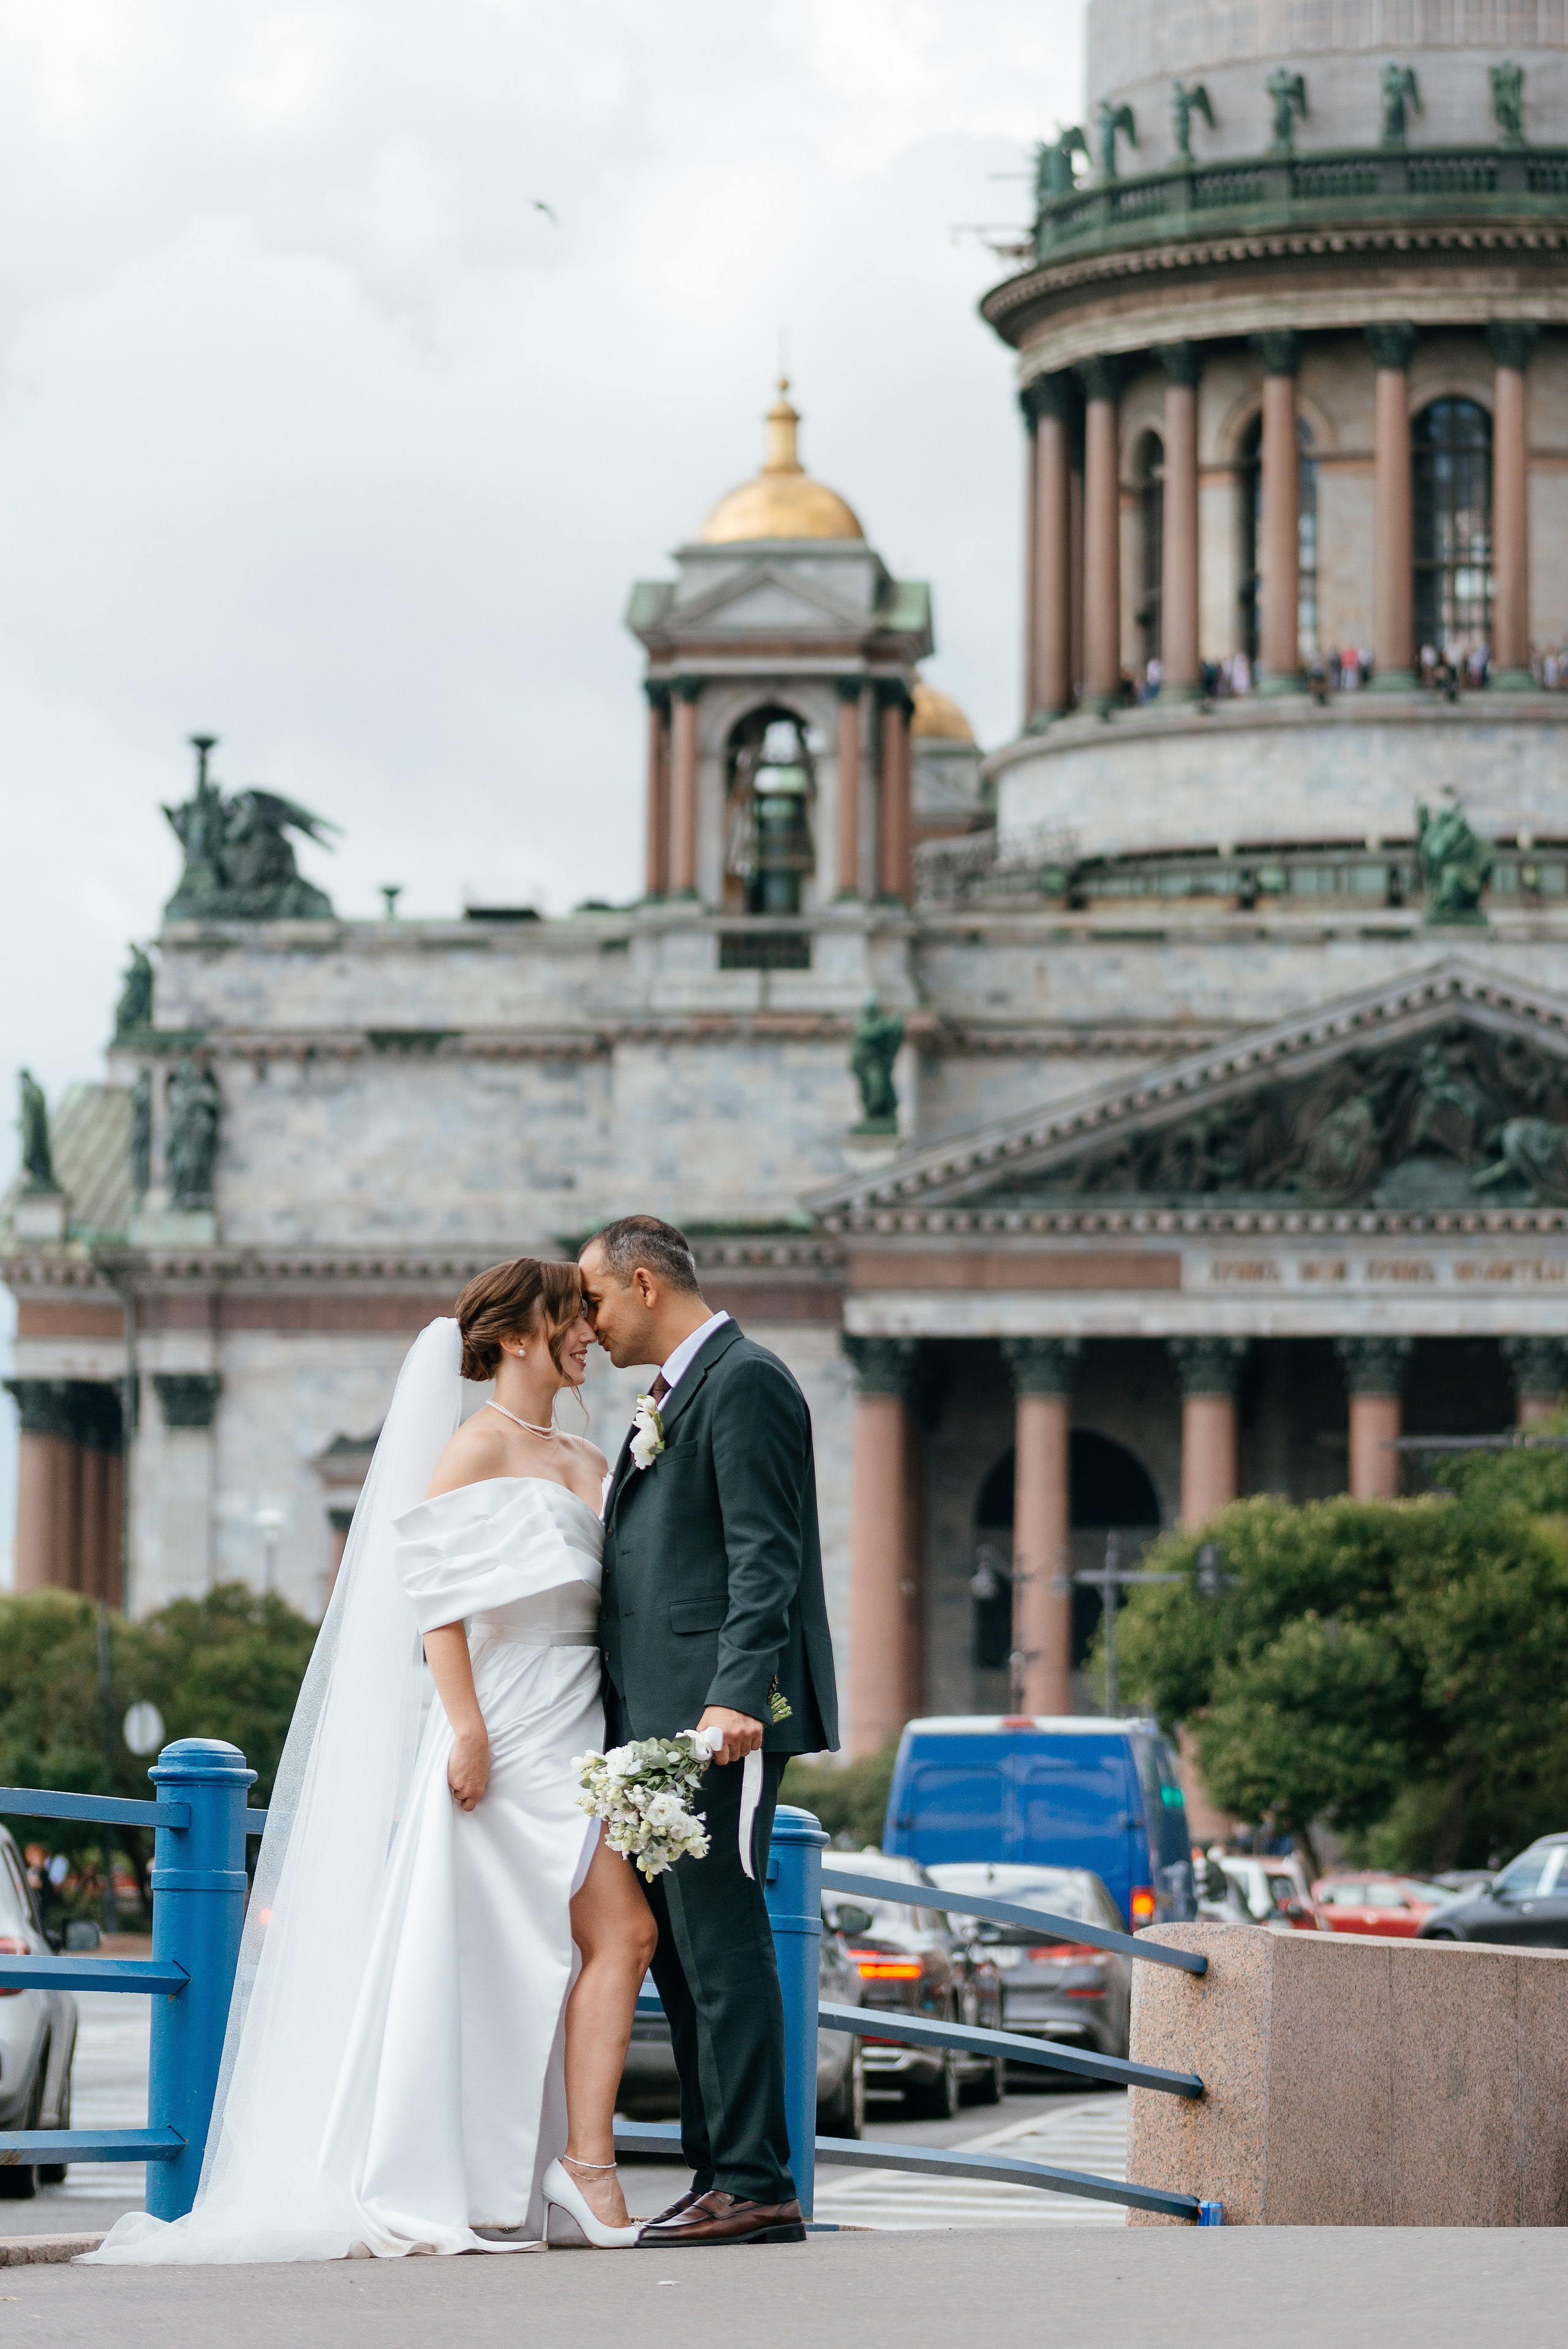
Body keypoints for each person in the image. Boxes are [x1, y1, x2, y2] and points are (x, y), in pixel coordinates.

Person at [83, 1256, 656, 2263]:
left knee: (591, 1945)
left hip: (583, 1724)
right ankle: (509, 2175)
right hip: (510, 1727)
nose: (585, 1332)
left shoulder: (588, 1454)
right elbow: (434, 1605)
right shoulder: (474, 1448)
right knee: (502, 1953)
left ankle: (550, 2173)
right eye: (569, 1316)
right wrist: (467, 1728)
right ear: (517, 1337)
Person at [577, 1215, 839, 2249]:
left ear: (643, 1284)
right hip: (656, 1731)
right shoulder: (678, 1394)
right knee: (685, 1959)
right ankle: (719, 2172)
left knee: (725, 1947)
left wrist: (737, 1696)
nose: (587, 1326)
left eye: (593, 1300)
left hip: (715, 1726)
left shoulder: (746, 1380)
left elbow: (762, 1557)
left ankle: (757, 2182)